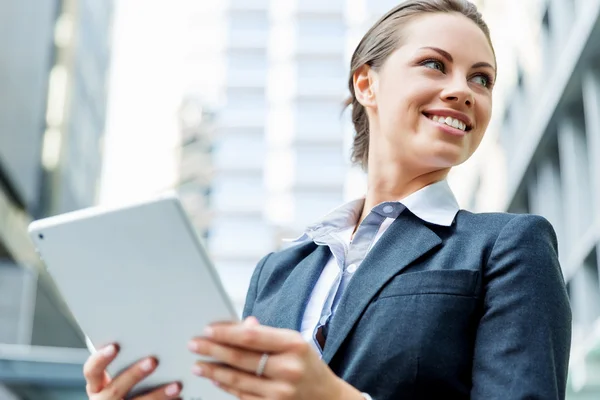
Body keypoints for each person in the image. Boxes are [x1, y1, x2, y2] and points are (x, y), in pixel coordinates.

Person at [82, 0, 572, 399]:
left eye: (481, 79)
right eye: (434, 64)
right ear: (366, 83)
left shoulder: (508, 245)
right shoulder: (278, 272)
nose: (463, 91)